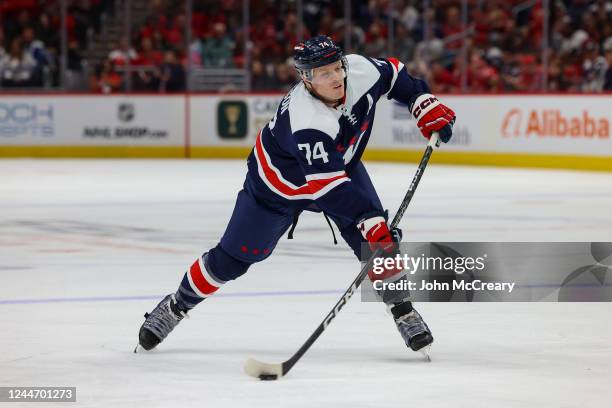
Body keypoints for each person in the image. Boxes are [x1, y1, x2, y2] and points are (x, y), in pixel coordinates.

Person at [136, 35, 455, 355]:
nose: (336, 78)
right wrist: (369, 218)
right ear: (306, 78)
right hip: (276, 188)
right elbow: (327, 189)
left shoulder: (358, 70)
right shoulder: (307, 119)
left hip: (338, 169)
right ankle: (177, 305)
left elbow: (396, 75)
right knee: (232, 260)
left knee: (377, 244)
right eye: (323, 73)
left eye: (336, 67)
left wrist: (421, 101)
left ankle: (403, 312)